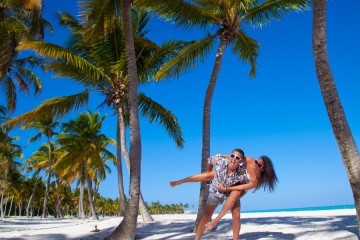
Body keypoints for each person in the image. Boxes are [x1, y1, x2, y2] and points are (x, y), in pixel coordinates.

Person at [170, 152, 278, 240]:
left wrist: (225, 189)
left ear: (263, 169)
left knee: (236, 215)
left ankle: (220, 223)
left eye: (259, 165)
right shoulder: (249, 160)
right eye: (256, 162)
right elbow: (236, 158)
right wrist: (220, 155)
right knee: (209, 175)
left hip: (238, 187)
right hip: (230, 176)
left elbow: (240, 188)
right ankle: (180, 181)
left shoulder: (256, 181)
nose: (255, 165)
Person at [170, 149, 248, 240]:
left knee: (236, 216)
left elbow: (245, 188)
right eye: (232, 156)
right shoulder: (221, 162)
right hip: (216, 191)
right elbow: (209, 160)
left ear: (240, 161)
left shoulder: (242, 173)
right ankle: (197, 239)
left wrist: (234, 198)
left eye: (237, 158)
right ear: (230, 156)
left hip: (231, 191)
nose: (234, 159)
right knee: (205, 217)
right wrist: (209, 171)